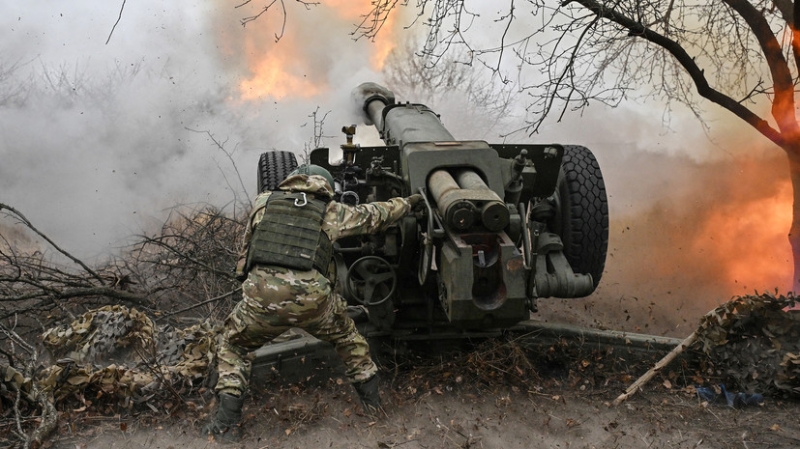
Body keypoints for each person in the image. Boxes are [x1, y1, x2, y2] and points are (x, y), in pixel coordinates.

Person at [202, 164, 422, 441]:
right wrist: (409, 202)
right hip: (313, 304)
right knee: (350, 340)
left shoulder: (263, 202)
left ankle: (226, 426)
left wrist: (255, 294)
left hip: (261, 299)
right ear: (325, 185)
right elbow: (374, 216)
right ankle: (376, 413)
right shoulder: (331, 211)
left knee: (232, 346)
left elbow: (245, 256)